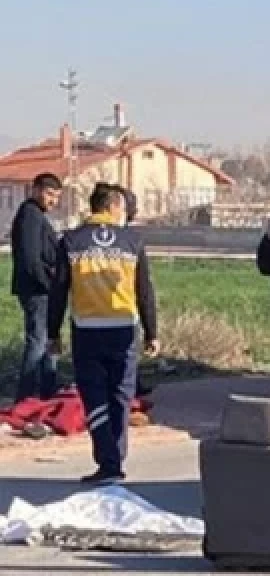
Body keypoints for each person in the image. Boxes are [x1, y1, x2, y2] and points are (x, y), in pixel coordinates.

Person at [48, 184, 159, 485]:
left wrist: (52, 333)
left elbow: (58, 291)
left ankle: (108, 461)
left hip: (87, 331)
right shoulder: (132, 241)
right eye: (123, 207)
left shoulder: (71, 241)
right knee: (121, 395)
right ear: (112, 207)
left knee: (95, 396)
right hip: (124, 330)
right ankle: (116, 457)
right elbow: (144, 291)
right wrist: (152, 332)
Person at [9, 173, 63, 402]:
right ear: (36, 190)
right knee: (38, 343)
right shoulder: (30, 215)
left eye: (57, 197)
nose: (53, 201)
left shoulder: (36, 215)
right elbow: (31, 259)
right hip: (37, 290)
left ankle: (47, 392)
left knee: (47, 341)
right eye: (49, 194)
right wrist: (49, 285)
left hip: (40, 289)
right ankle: (27, 397)